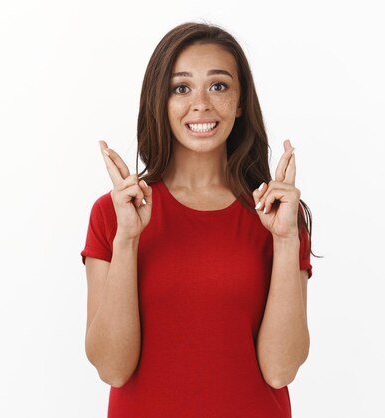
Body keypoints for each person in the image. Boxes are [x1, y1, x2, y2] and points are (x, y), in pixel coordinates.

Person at [80, 22, 315, 417]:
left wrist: (287, 239)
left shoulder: (276, 217)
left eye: (219, 86)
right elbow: (112, 368)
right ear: (161, 100)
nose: (201, 103)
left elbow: (280, 370)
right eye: (181, 88)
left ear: (240, 102)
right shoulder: (114, 213)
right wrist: (127, 240)